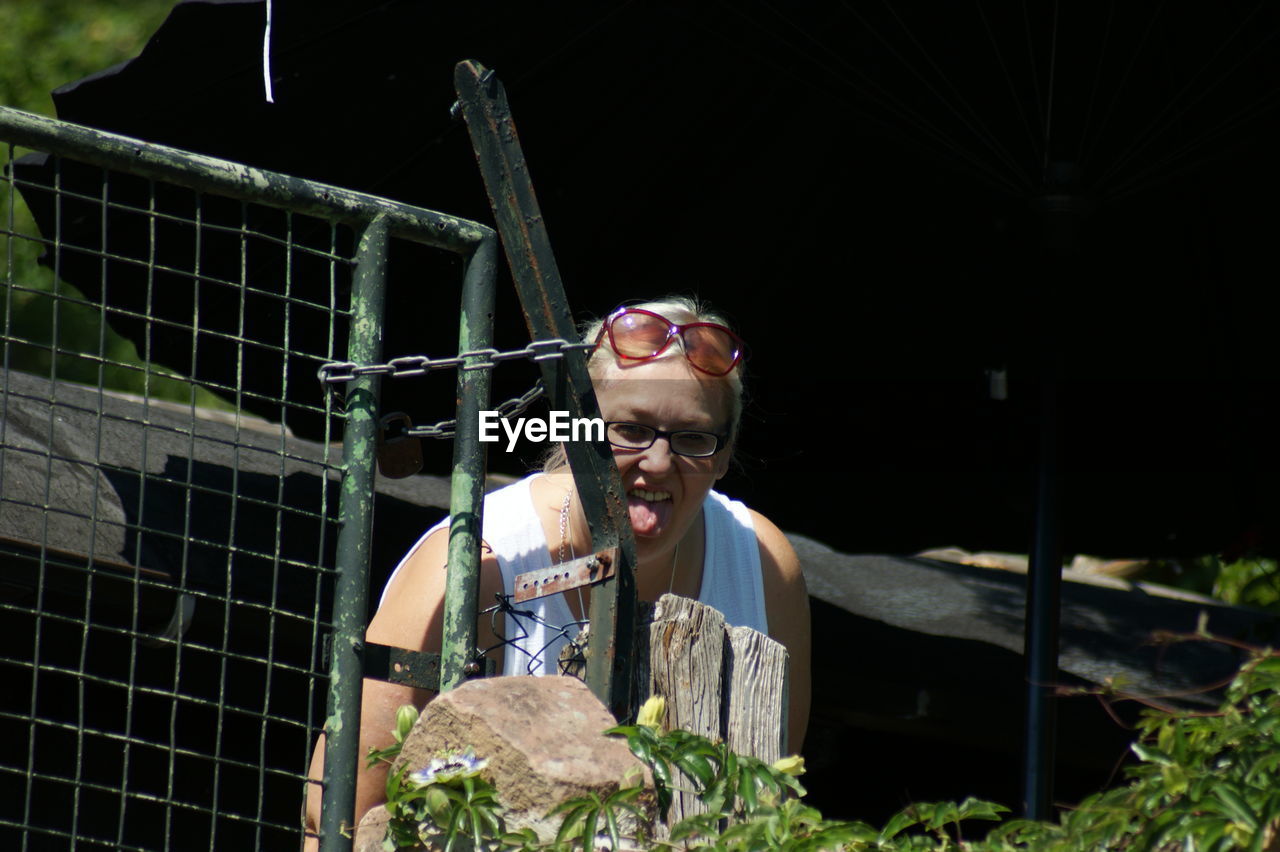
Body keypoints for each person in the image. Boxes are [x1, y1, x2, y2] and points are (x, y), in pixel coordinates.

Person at [304, 296, 810, 844]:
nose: (659, 463)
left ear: (724, 452)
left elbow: (773, 802)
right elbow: (335, 811)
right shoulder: (477, 565)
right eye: (631, 431)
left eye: (693, 438)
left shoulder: (762, 563)